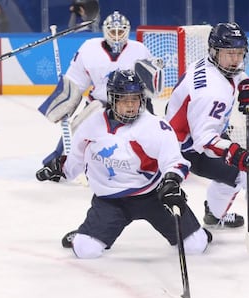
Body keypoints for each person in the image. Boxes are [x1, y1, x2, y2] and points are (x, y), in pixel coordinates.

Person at [39, 69, 212, 258]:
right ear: (112, 100)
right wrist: (60, 170)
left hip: (153, 195)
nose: (131, 106)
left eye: (135, 99)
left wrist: (171, 183)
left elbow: (175, 162)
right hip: (110, 201)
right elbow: (77, 158)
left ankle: (196, 232)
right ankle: (85, 233)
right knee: (85, 250)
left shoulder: (153, 126)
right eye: (124, 100)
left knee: (195, 245)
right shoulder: (91, 124)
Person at [165, 22, 249, 241]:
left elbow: (236, 74)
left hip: (191, 136)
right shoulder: (211, 92)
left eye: (239, 53)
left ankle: (214, 215)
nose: (236, 59)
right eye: (230, 53)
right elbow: (205, 140)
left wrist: (246, 84)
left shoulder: (210, 65)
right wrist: (234, 152)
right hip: (187, 149)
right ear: (214, 52)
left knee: (230, 176)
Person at [37, 11, 164, 181]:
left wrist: (148, 108)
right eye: (113, 31)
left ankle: (158, 163)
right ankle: (57, 165)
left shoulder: (139, 50)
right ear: (105, 31)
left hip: (131, 104)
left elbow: (149, 85)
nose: (117, 36)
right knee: (77, 131)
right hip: (100, 104)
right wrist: (64, 102)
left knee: (149, 133)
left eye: (120, 31)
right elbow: (75, 81)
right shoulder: (89, 49)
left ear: (127, 31)